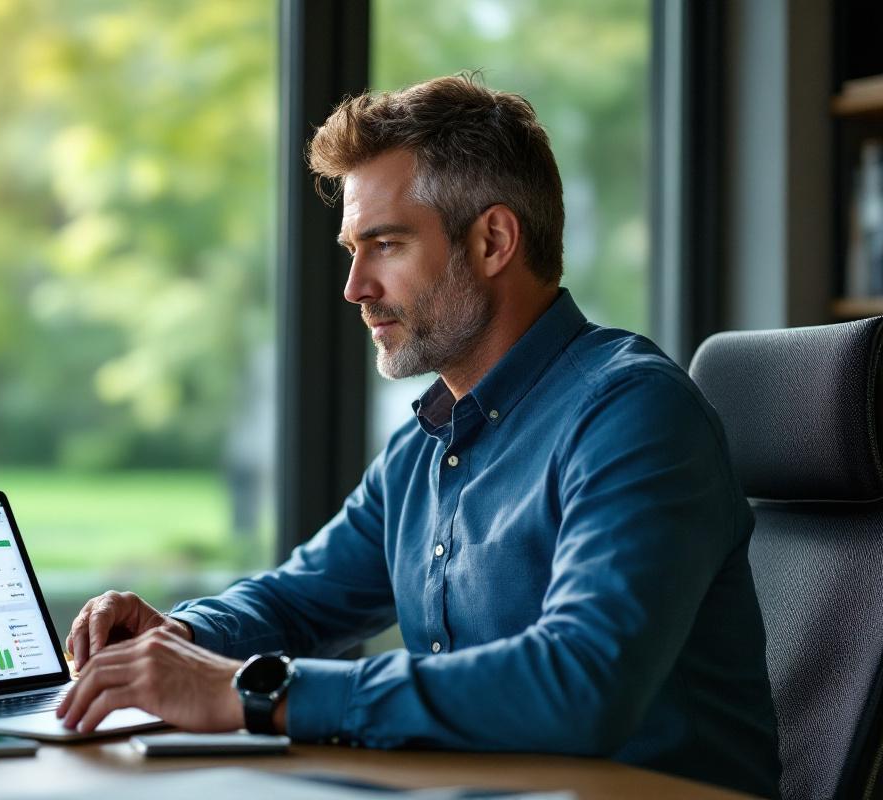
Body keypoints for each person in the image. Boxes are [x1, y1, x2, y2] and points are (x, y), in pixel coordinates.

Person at [56, 74, 780, 798]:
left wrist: (258, 691)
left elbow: (579, 684)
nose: (354, 286)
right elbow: (297, 601)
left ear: (494, 240)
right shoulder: (427, 445)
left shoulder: (633, 414)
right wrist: (177, 641)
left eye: (386, 244)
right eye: (351, 249)